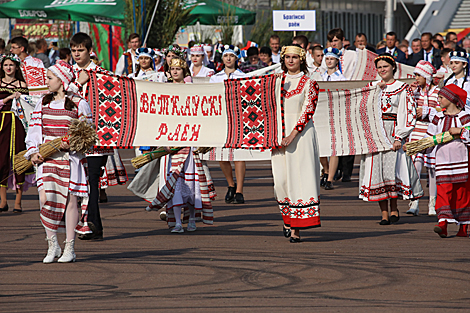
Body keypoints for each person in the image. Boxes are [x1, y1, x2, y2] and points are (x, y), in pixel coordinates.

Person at [25, 60, 93, 263]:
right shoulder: (43, 103)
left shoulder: (79, 103)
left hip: (69, 160)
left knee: (70, 201)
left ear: (62, 81)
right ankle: (52, 244)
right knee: (45, 200)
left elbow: (87, 134)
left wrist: (71, 144)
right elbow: (35, 130)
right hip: (47, 158)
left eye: (50, 78)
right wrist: (33, 152)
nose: (47, 81)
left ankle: (69, 247)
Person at [147, 57, 213, 232]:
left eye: (179, 69)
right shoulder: (164, 90)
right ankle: (177, 222)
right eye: (172, 69)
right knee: (174, 182)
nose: (175, 72)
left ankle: (191, 218)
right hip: (172, 144)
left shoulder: (191, 90)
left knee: (191, 184)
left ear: (185, 71)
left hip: (190, 143)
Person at [359, 54, 423, 224]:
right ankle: (384, 213)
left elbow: (407, 113)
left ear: (393, 67)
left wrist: (399, 137)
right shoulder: (372, 86)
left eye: (385, 67)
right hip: (376, 133)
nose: (382, 70)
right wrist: (374, 92)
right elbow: (362, 110)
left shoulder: (402, 88)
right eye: (379, 67)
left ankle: (394, 209)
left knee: (392, 171)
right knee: (377, 174)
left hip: (393, 131)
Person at [69, 32, 115, 241]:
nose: (77, 54)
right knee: (76, 182)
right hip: (72, 137)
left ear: (89, 51)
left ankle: (92, 224)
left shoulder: (102, 74)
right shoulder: (67, 73)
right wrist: (77, 83)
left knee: (92, 180)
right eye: (74, 50)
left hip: (97, 136)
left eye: (81, 50)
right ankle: (87, 223)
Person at [273, 45, 321, 243]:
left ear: (301, 60)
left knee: (299, 180)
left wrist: (292, 135)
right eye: (287, 57)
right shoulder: (276, 82)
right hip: (278, 138)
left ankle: (296, 229)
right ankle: (287, 219)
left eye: (294, 57)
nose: (290, 61)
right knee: (281, 181)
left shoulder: (310, 83)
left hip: (300, 137)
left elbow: (307, 112)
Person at [425, 85, 470, 238]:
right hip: (443, 162)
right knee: (443, 191)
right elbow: (429, 138)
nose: (438, 100)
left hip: (462, 162)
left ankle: (463, 228)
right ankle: (442, 224)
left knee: (462, 194)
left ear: (451, 99)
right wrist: (417, 147)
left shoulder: (464, 117)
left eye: (441, 97)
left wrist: (461, 132)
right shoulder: (439, 118)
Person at [210, 45, 248, 204]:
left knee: (239, 155)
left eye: (232, 56)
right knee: (222, 155)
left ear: (236, 58)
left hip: (239, 118)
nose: (228, 59)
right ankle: (230, 185)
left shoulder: (244, 76)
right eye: (226, 56)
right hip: (221, 118)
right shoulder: (216, 78)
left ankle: (239, 190)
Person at [407, 61, 440, 216]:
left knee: (432, 169)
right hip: (417, 132)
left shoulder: (437, 92)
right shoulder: (415, 91)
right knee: (416, 167)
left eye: (419, 75)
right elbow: (409, 109)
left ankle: (432, 204)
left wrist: (428, 110)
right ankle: (415, 202)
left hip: (432, 132)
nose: (416, 78)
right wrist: (411, 94)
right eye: (415, 75)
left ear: (427, 76)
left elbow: (441, 111)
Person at [0, 54, 30, 213]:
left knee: (19, 159)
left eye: (11, 65)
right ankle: (3, 201)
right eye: (6, 65)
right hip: (1, 123)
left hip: (18, 124)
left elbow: (29, 106)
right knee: (1, 159)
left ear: (17, 67)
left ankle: (18, 201)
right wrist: (8, 99)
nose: (8, 68)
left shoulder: (22, 84)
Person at [319, 48, 346, 190]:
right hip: (322, 114)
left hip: (335, 114)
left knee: (334, 148)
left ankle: (330, 179)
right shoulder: (320, 76)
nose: (329, 61)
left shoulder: (341, 78)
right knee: (320, 147)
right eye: (327, 59)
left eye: (332, 59)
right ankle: (326, 170)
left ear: (337, 60)